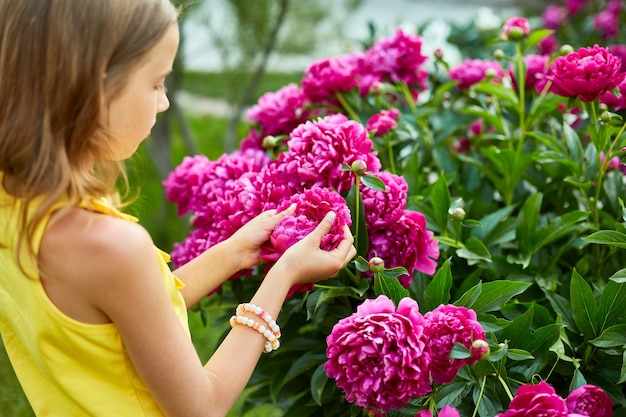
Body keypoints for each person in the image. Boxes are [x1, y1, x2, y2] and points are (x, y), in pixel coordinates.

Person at [0, 1, 356, 416]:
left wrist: (232, 252)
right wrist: (284, 275)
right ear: (94, 88)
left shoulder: (21, 202)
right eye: (156, 83)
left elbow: (129, 311)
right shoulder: (111, 245)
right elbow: (202, 407)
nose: (165, 101)